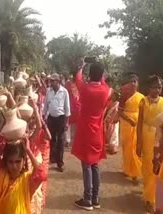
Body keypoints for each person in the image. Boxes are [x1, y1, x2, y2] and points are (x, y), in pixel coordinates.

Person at [71, 62, 110, 211]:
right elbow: (103, 81)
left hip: (86, 133)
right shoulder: (105, 90)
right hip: (98, 133)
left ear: (90, 74)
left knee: (86, 165)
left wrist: (82, 65)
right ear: (101, 75)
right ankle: (96, 198)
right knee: (95, 165)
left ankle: (87, 199)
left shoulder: (85, 89)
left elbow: (78, 77)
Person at [0, 139, 48, 214]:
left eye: (18, 161)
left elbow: (42, 174)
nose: (14, 166)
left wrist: (28, 150)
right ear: (6, 162)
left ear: (24, 161)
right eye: (10, 162)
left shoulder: (28, 180)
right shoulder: (2, 177)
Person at [137, 75, 163, 213]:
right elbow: (140, 123)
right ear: (149, 88)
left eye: (159, 87)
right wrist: (138, 144)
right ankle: (149, 199)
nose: (157, 90)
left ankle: (156, 199)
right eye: (154, 87)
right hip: (146, 137)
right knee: (148, 169)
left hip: (160, 139)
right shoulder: (143, 102)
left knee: (158, 170)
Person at [26, 97, 51, 213]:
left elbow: (41, 127)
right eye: (29, 119)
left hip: (35, 163)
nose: (32, 121)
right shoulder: (25, 137)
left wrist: (36, 110)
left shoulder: (34, 134)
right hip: (28, 165)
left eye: (33, 119)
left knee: (36, 194)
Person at [43, 73, 71, 172]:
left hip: (61, 118)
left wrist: (66, 122)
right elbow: (46, 104)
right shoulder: (48, 91)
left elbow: (67, 108)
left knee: (60, 140)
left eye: (53, 81)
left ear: (58, 82)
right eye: (50, 81)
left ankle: (60, 163)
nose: (51, 82)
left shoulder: (64, 92)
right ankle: (53, 158)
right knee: (52, 139)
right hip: (51, 118)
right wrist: (43, 116)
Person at [119, 73, 143, 181]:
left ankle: (135, 171)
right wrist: (130, 120)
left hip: (139, 125)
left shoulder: (141, 97)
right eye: (131, 81)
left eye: (135, 81)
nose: (133, 83)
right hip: (127, 124)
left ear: (138, 84)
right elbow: (120, 112)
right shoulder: (124, 96)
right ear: (128, 83)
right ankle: (127, 169)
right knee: (127, 148)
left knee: (136, 148)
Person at [104, 77, 120, 154]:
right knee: (108, 130)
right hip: (106, 109)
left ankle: (112, 147)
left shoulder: (112, 91)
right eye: (108, 82)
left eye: (111, 82)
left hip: (112, 111)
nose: (109, 83)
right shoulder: (103, 89)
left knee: (114, 132)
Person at [65, 72, 81, 147]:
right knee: (68, 123)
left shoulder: (80, 84)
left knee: (78, 125)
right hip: (70, 106)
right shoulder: (68, 84)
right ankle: (68, 140)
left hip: (78, 107)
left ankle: (76, 140)